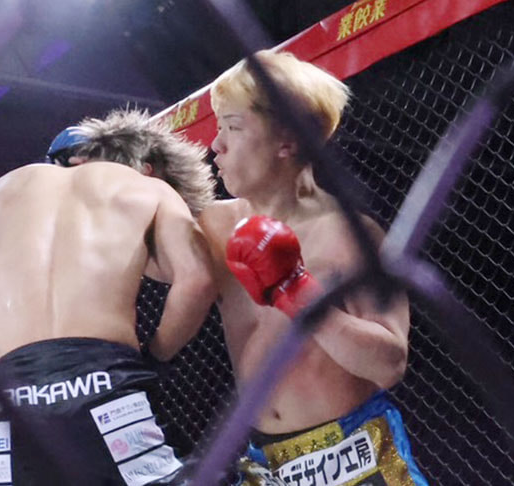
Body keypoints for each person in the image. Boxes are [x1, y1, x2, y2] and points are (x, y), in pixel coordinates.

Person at [199, 50, 428, 485]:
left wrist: (296, 291)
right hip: (266, 463)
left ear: (286, 140)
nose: (217, 145)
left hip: (353, 453)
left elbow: (389, 364)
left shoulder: (351, 236)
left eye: (233, 127)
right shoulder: (213, 226)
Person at [0, 109, 217, 486]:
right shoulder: (148, 187)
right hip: (104, 386)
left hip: (6, 398)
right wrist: (157, 356)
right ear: (148, 168)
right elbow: (197, 281)